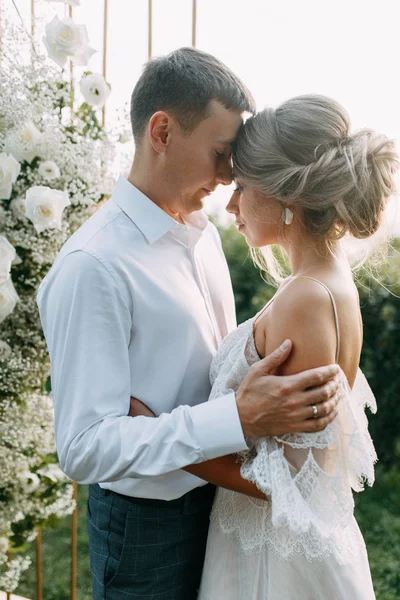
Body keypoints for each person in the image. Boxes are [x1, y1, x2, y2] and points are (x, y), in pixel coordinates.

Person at [36, 50, 340, 600]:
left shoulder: (201, 237)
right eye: (221, 153)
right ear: (162, 132)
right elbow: (83, 447)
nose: (229, 177)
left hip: (229, 511)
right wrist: (235, 417)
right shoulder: (95, 266)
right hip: (148, 528)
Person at [190, 95, 398, 599]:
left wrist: (167, 444)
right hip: (286, 545)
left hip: (276, 564)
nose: (231, 204)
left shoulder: (306, 296)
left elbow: (290, 484)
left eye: (242, 187)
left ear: (288, 195)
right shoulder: (329, 280)